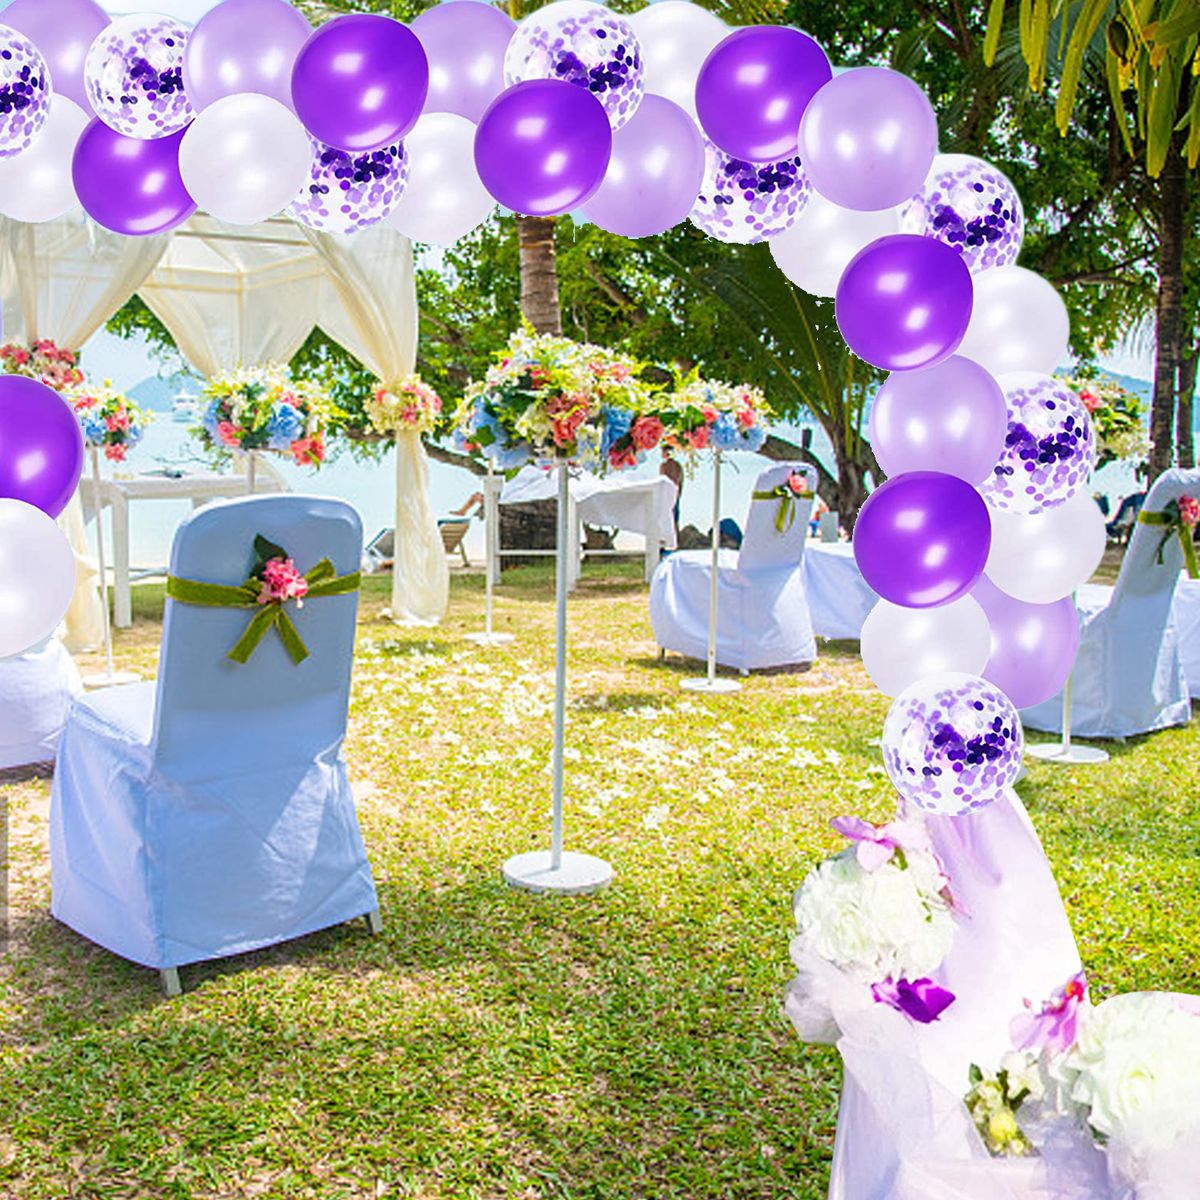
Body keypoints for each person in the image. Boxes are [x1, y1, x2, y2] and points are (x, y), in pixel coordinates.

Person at [660, 445, 684, 534]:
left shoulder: (664, 466)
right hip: (675, 495)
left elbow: (662, 481)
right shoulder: (678, 466)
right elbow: (680, 483)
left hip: (668, 495)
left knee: (668, 519)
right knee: (674, 520)